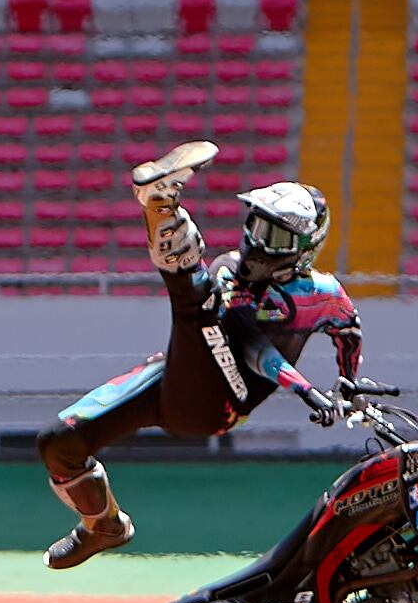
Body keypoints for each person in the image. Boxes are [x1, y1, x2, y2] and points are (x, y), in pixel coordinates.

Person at [36, 140, 365, 569]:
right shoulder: (228, 269)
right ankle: (103, 526)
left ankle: (162, 209)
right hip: (177, 376)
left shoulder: (321, 294)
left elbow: (346, 331)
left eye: (275, 234)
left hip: (220, 404)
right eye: (256, 225)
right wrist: (306, 388)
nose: (257, 242)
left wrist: (348, 386)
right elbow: (248, 343)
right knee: (58, 444)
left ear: (304, 246)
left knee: (200, 304)